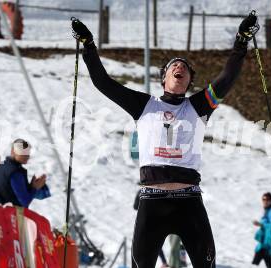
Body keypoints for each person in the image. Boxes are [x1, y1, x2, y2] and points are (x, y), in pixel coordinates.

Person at [72, 12, 258, 268]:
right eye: (174, 66)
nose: (179, 68)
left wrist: (241, 41)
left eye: (184, 68)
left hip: (189, 201)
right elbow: (103, 83)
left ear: (189, 80)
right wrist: (89, 46)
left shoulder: (199, 105)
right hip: (152, 202)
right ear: (164, 78)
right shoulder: (144, 105)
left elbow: (227, 78)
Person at [0, 139, 50, 208]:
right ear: (13, 151)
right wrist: (35, 188)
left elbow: (8, 193)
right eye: (23, 153)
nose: (27, 156)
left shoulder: (0, 167)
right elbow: (25, 201)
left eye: (28, 153)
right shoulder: (15, 173)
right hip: (10, 215)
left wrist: (31, 187)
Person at [252, 192, 271, 268]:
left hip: (267, 242)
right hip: (264, 241)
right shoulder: (267, 210)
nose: (265, 201)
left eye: (267, 199)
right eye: (263, 199)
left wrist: (261, 224)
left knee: (256, 262)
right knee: (268, 262)